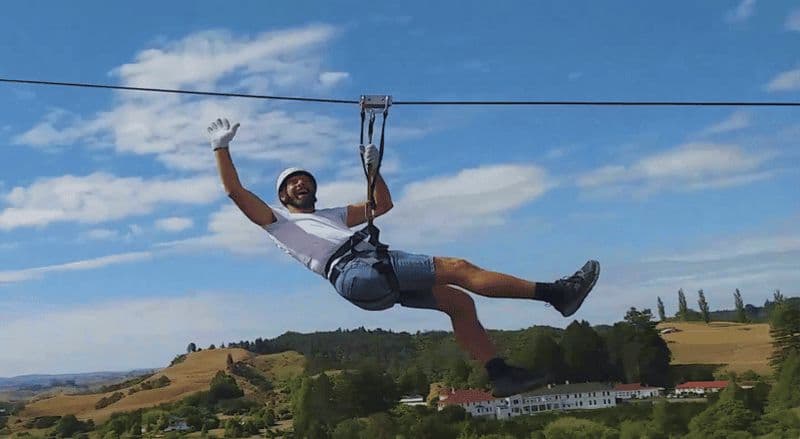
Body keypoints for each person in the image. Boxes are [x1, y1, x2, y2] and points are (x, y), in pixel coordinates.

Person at [208, 117, 600, 397]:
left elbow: (383, 203)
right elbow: (236, 192)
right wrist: (221, 149)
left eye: (305, 180)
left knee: (458, 302)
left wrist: (372, 170)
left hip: (365, 283)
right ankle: (556, 293)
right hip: (357, 270)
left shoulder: (333, 216)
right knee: (458, 269)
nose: (300, 184)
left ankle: (499, 375)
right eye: (292, 183)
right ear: (281, 198)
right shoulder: (276, 223)